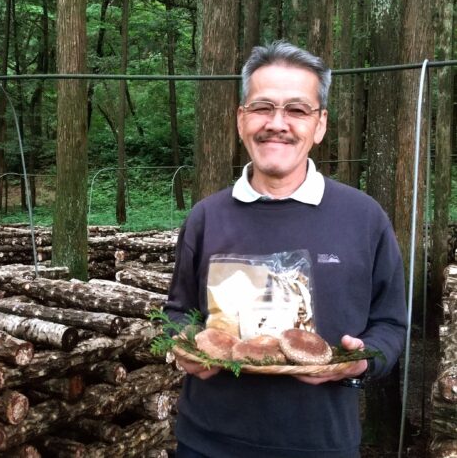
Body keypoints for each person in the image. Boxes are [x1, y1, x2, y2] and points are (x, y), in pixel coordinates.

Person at [164, 41, 407, 458]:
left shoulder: (363, 217)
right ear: (242, 120)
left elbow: (391, 324)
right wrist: (183, 342)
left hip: (322, 443)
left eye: (297, 110)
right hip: (207, 442)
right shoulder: (207, 217)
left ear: (320, 124)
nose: (277, 123)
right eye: (262, 107)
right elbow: (177, 312)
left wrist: (361, 362)